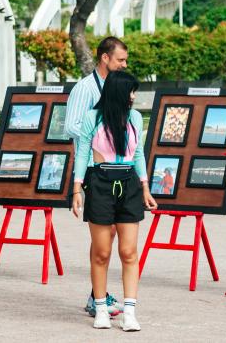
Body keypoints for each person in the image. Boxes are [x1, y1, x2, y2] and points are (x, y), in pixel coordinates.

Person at [70, 71, 157, 331]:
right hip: (99, 183)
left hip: (129, 183)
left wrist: (145, 187)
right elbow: (83, 153)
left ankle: (129, 311)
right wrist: (77, 190)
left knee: (128, 251)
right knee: (102, 252)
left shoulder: (135, 118)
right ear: (119, 92)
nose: (134, 97)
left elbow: (139, 152)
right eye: (131, 91)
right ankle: (101, 308)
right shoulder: (92, 118)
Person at [63, 36, 128, 317]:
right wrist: (102, 133)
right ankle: (96, 296)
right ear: (105, 58)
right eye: (120, 60)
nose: (124, 65)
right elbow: (71, 126)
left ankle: (96, 294)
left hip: (115, 168)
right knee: (104, 233)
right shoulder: (85, 88)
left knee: (110, 232)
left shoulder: (114, 88)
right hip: (92, 169)